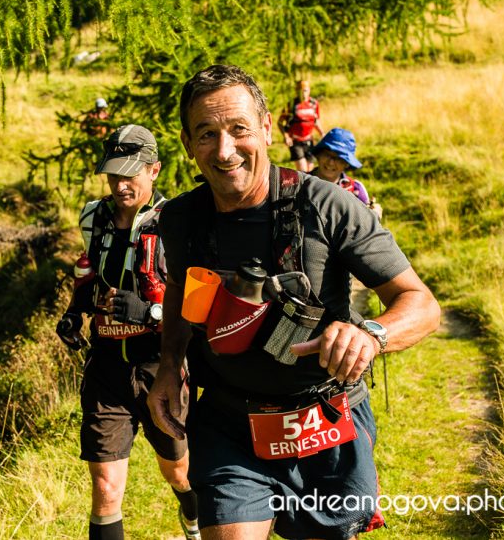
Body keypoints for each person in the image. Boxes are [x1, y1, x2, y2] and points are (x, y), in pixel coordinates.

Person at [146, 65, 441, 540]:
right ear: (187, 143)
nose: (224, 151)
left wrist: (371, 335)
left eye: (239, 129)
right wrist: (168, 364)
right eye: (207, 134)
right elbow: (182, 288)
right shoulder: (181, 219)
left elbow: (422, 305)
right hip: (229, 426)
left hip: (326, 420)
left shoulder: (328, 207)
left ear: (266, 128)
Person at [55, 124, 200, 540]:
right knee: (104, 488)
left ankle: (193, 519)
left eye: (130, 174)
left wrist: (150, 312)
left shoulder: (175, 223)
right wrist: (74, 312)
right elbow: (89, 276)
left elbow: (196, 303)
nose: (120, 185)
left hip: (160, 366)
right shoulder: (93, 218)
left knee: (178, 470)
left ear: (154, 171)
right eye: (114, 175)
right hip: (106, 368)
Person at [277, 79, 324, 172]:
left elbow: (316, 120)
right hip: (295, 142)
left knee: (310, 172)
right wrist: (286, 136)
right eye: (300, 91)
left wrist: (322, 133)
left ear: (309, 90)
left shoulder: (314, 104)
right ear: (296, 91)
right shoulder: (291, 105)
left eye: (305, 90)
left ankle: (306, 187)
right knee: (303, 171)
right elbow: (280, 122)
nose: (303, 93)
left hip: (309, 141)